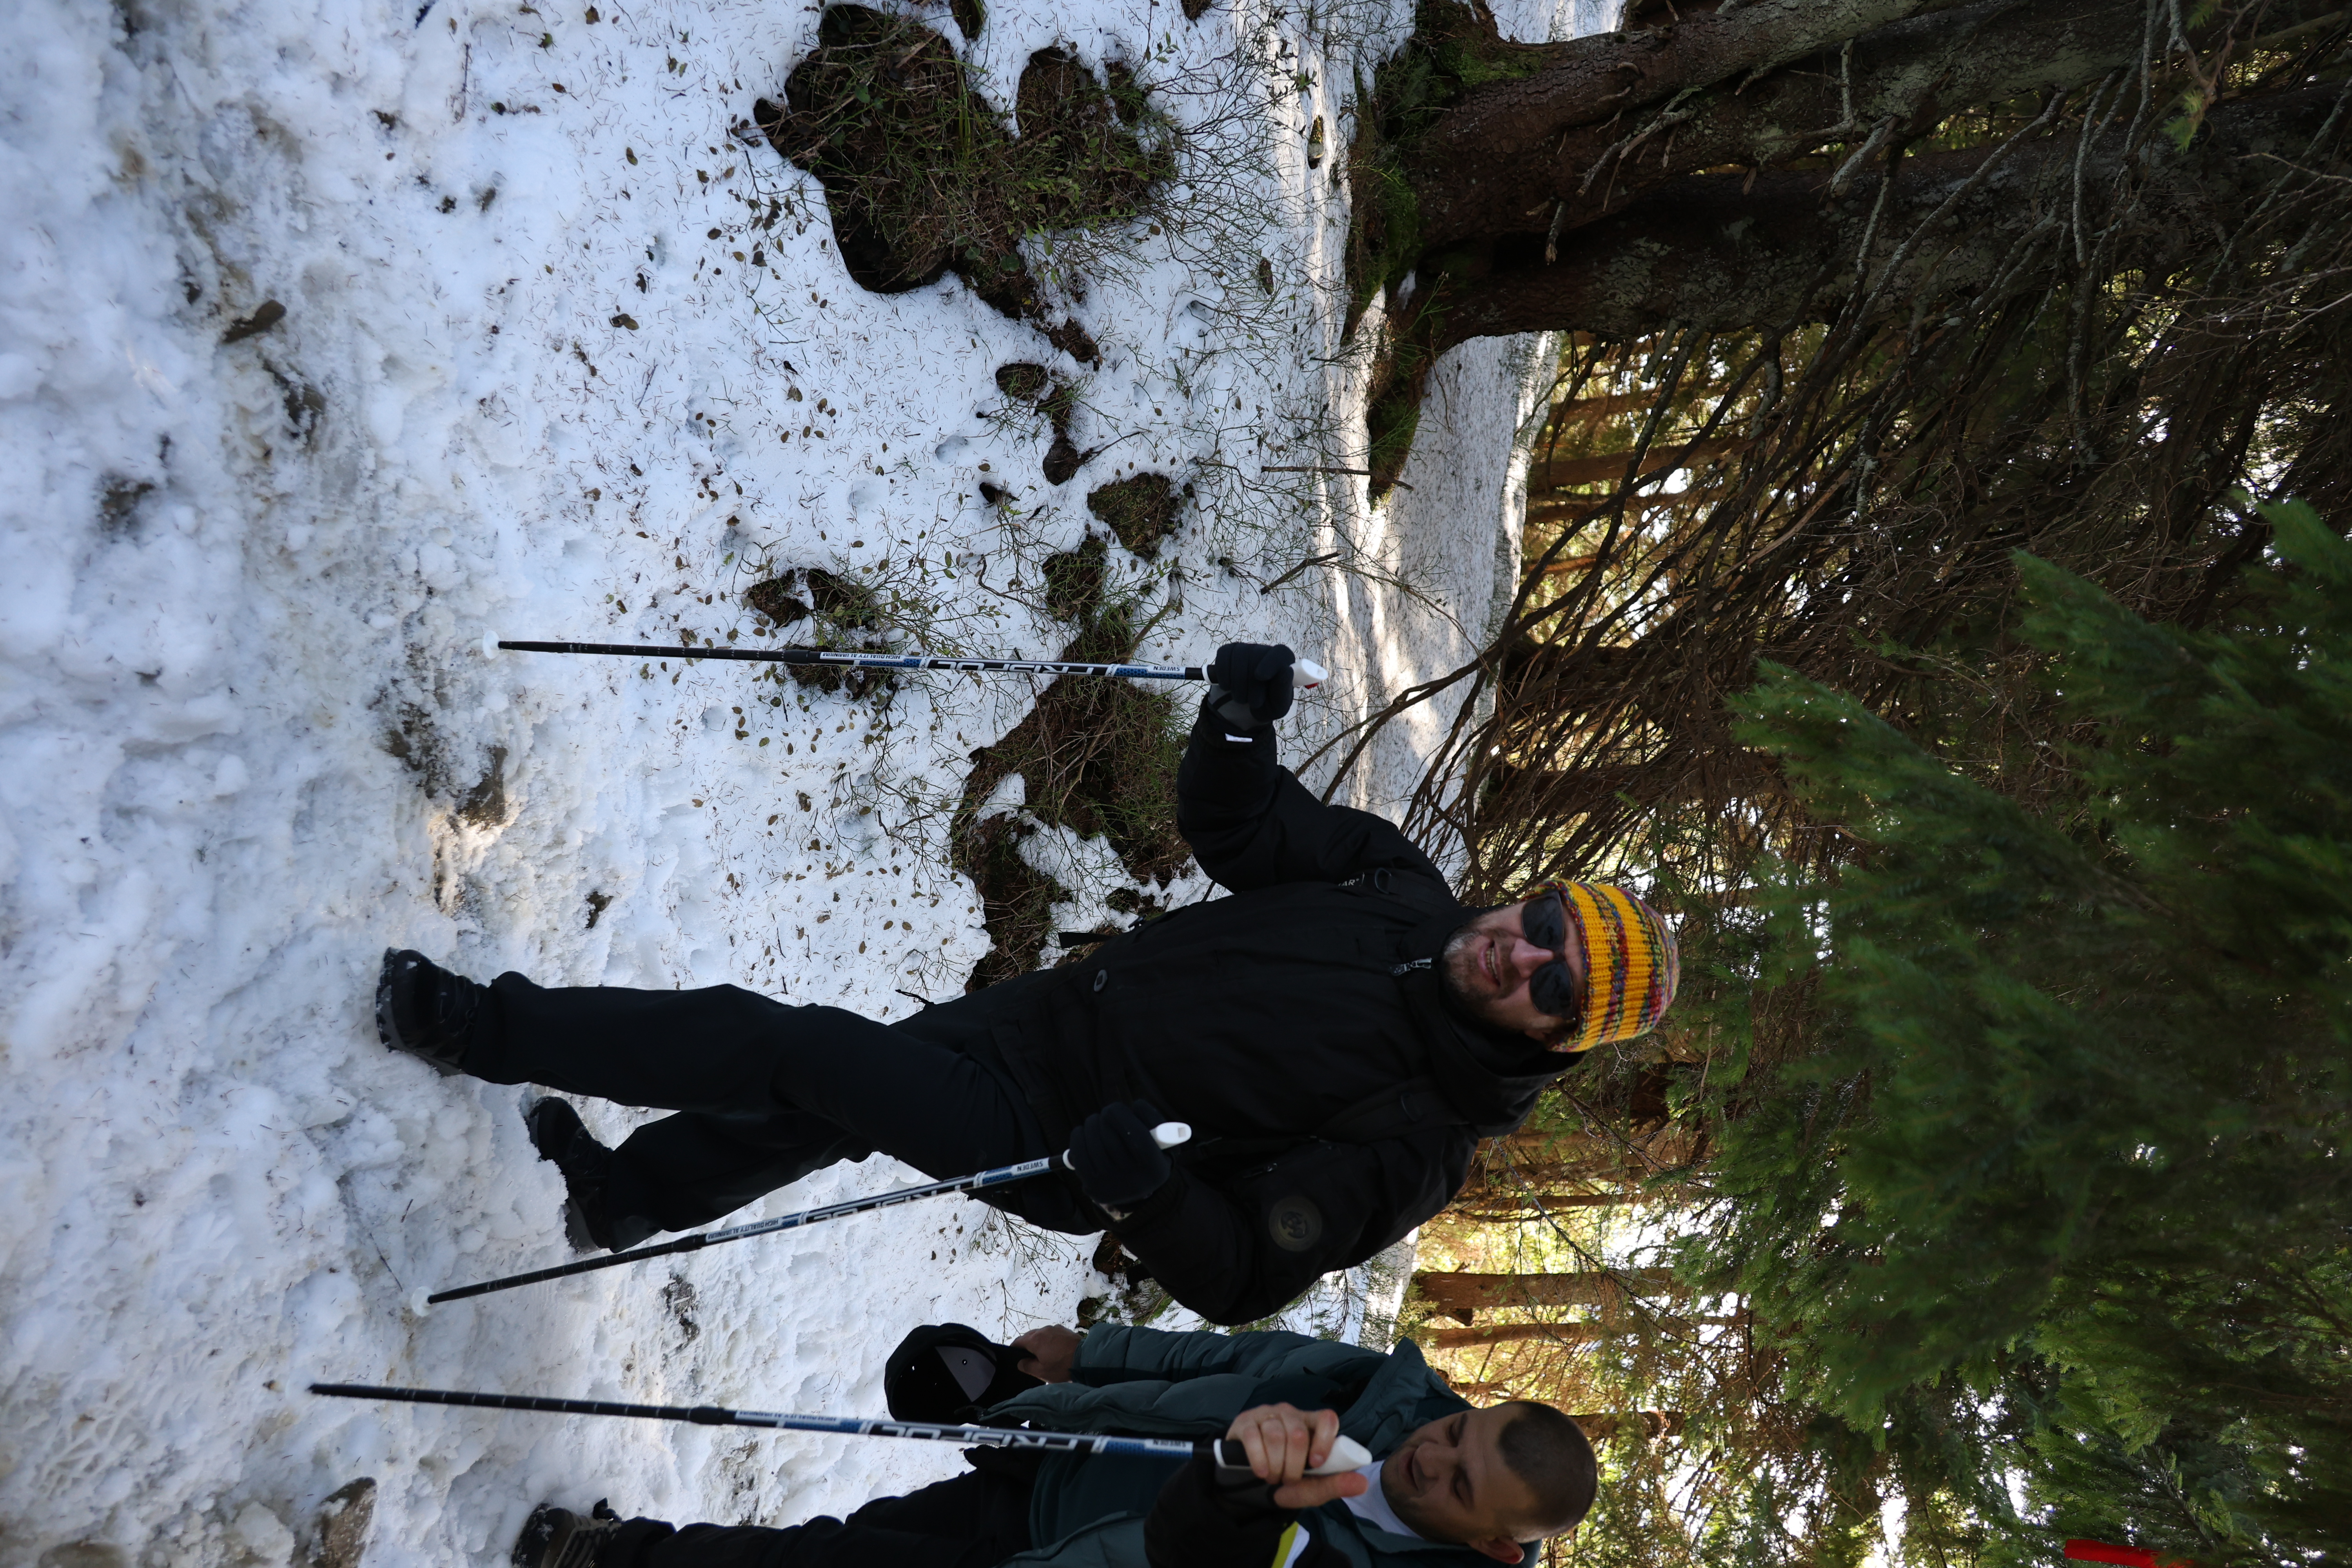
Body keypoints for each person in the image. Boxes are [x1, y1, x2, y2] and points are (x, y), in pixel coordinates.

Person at [376, 643, 1680, 1323]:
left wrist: (1149, 1191)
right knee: (832, 1107)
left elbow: (1241, 1275)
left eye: (1555, 988)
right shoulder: (1402, 891)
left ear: (1554, 1040)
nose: (1522, 954)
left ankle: (486, 1027)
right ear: (1536, 895)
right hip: (1053, 1014)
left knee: (795, 1051)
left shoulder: (1421, 1144)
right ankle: (629, 1195)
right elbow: (1241, 829)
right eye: (1548, 922)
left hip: (1054, 1147)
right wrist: (1235, 726)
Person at [507, 1319, 1600, 1568]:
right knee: (836, 1550)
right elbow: (1226, 1361)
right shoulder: (1383, 1391)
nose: (1430, 1457)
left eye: (1460, 1485)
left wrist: (1240, 1493)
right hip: (1053, 1479)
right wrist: (1089, 1356)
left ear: (1499, 1548)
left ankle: (608, 1559)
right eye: (1460, 1431)